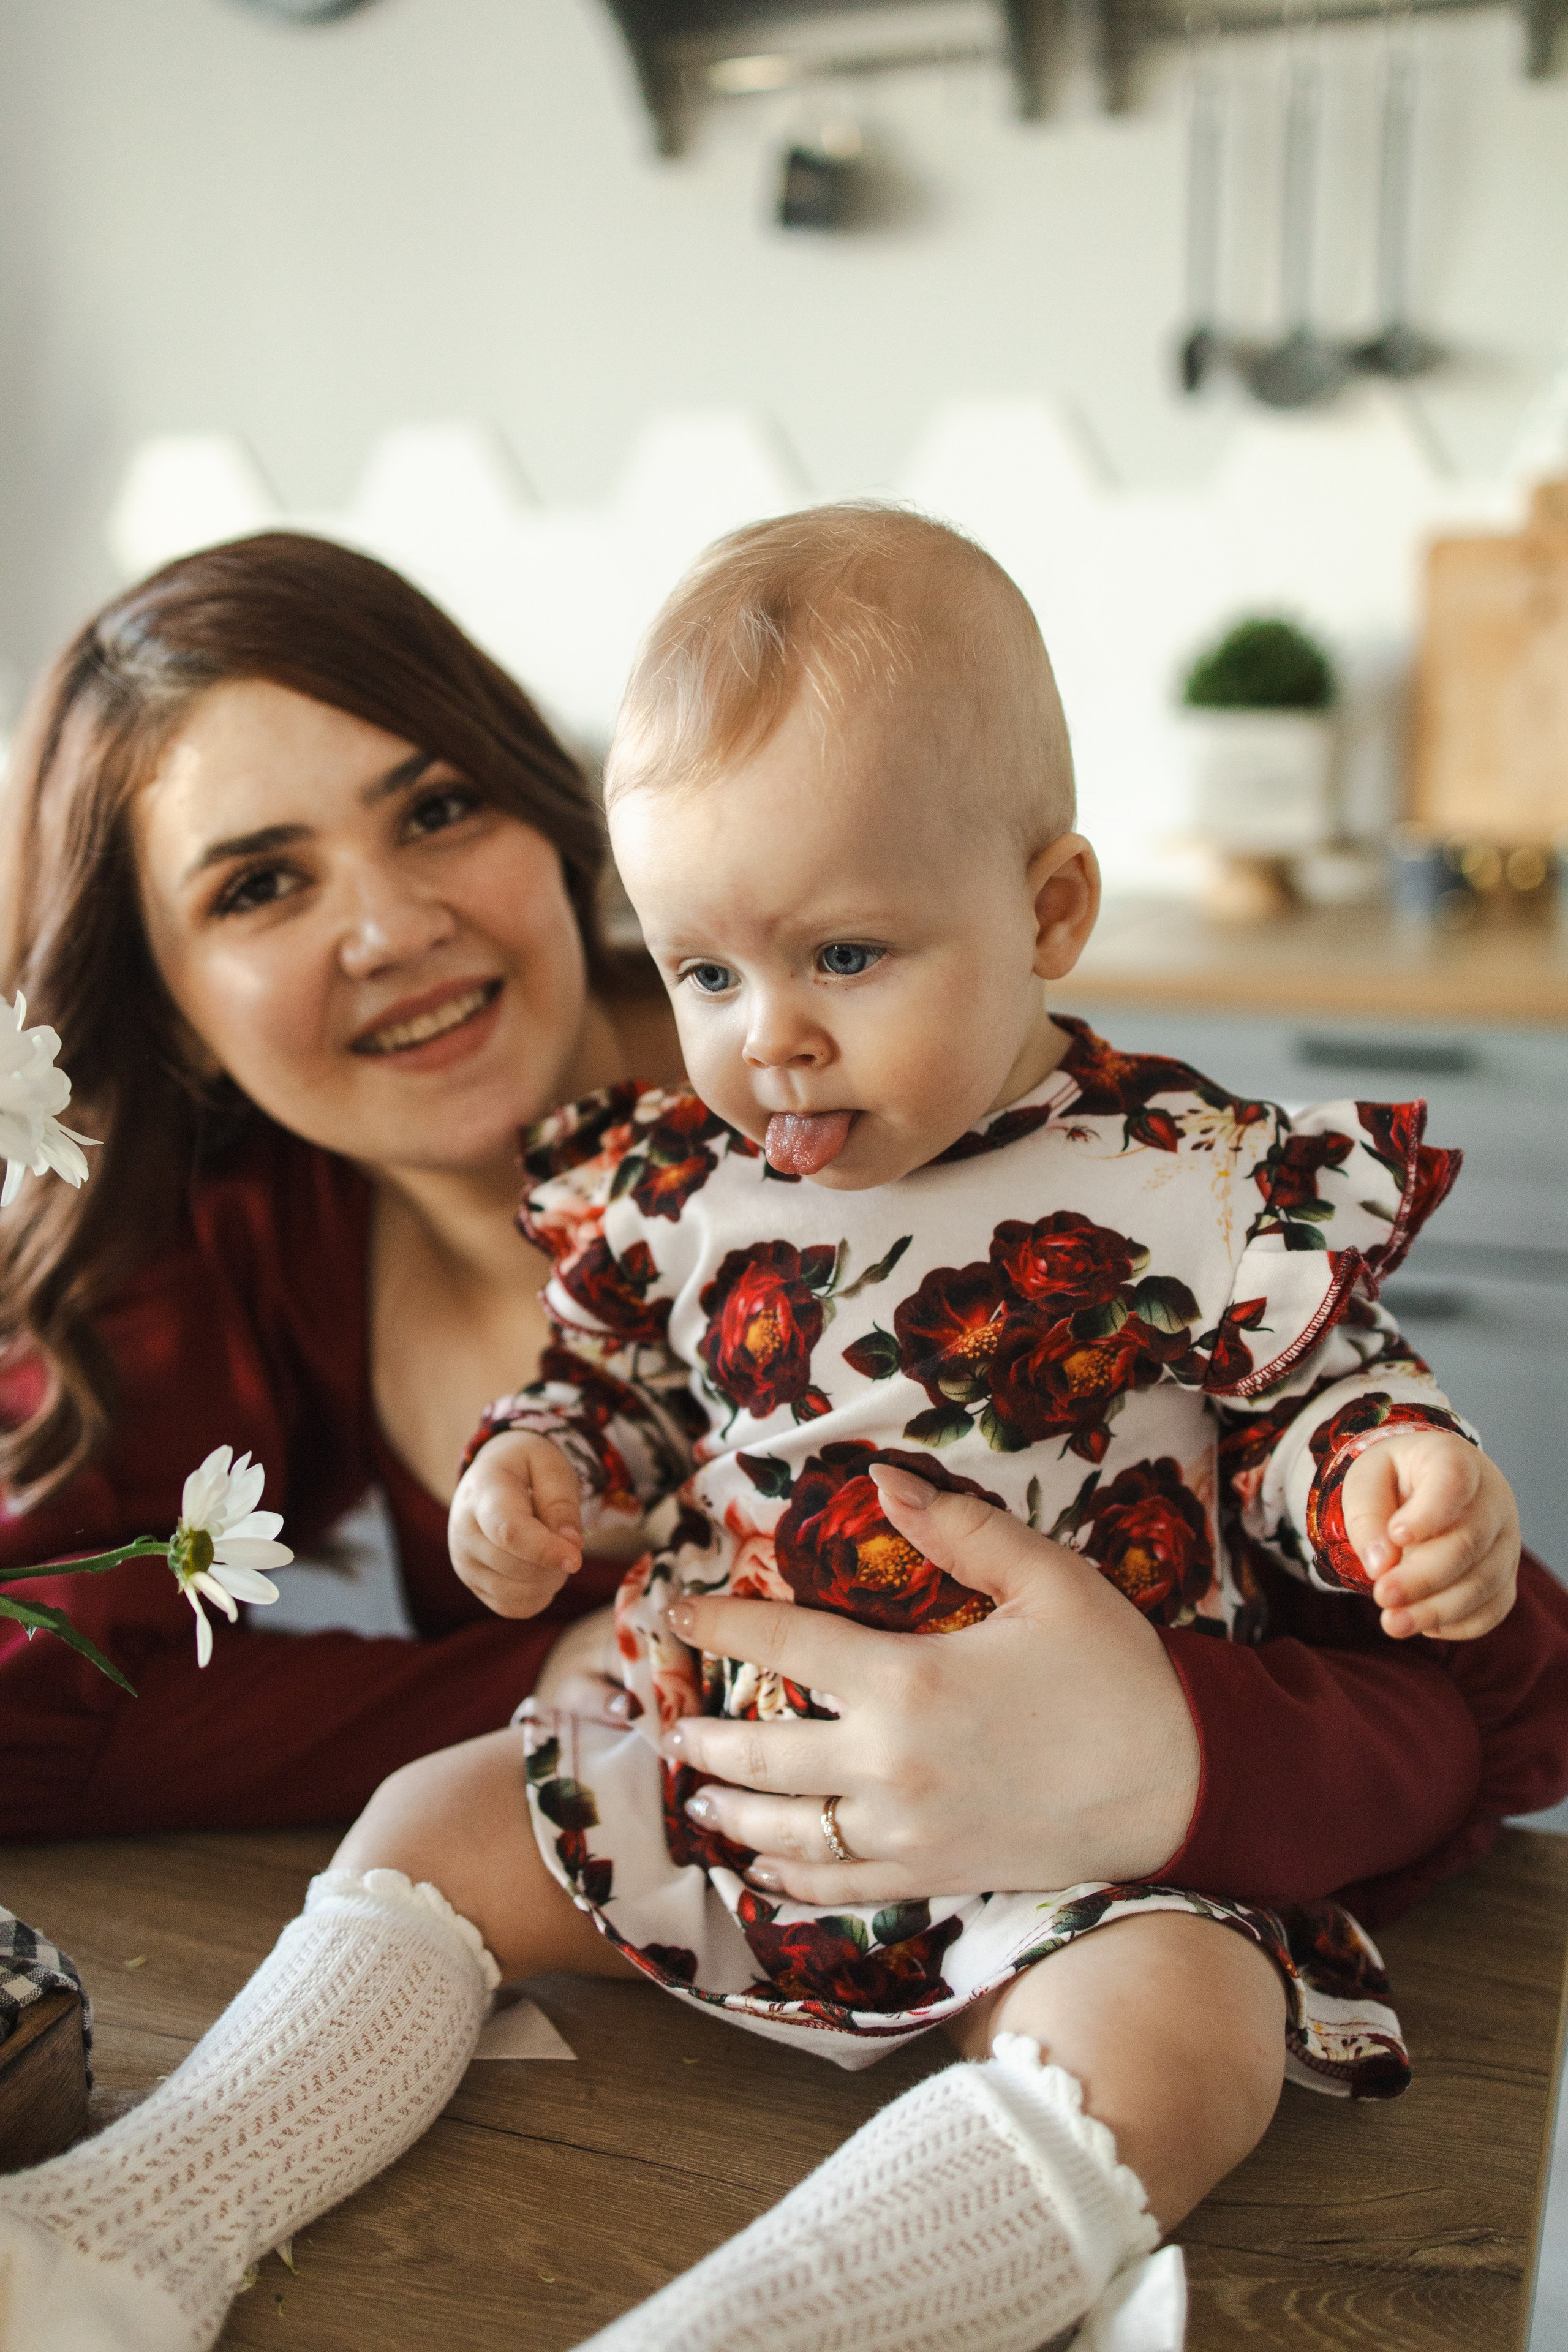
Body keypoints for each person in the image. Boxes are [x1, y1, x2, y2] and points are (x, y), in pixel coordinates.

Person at [3, 510, 1563, 2352]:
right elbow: (620, 1399)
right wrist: (553, 1481)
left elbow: (1350, 1455)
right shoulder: (653, 1197)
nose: (769, 1045)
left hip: (1085, 1862)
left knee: (1183, 2026)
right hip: (718, 1786)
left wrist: (1362, 1511)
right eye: (258, 885)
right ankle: (122, 2237)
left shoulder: (1165, 1177)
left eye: (434, 811)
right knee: (442, 1811)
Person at [0, 530, 677, 1837]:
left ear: (542, 815)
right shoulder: (255, 1215)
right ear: (176, 1017)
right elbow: (25, 1696)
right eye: (262, 886)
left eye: (435, 809)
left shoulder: (852, 1092)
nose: (394, 929)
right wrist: (541, 1685)